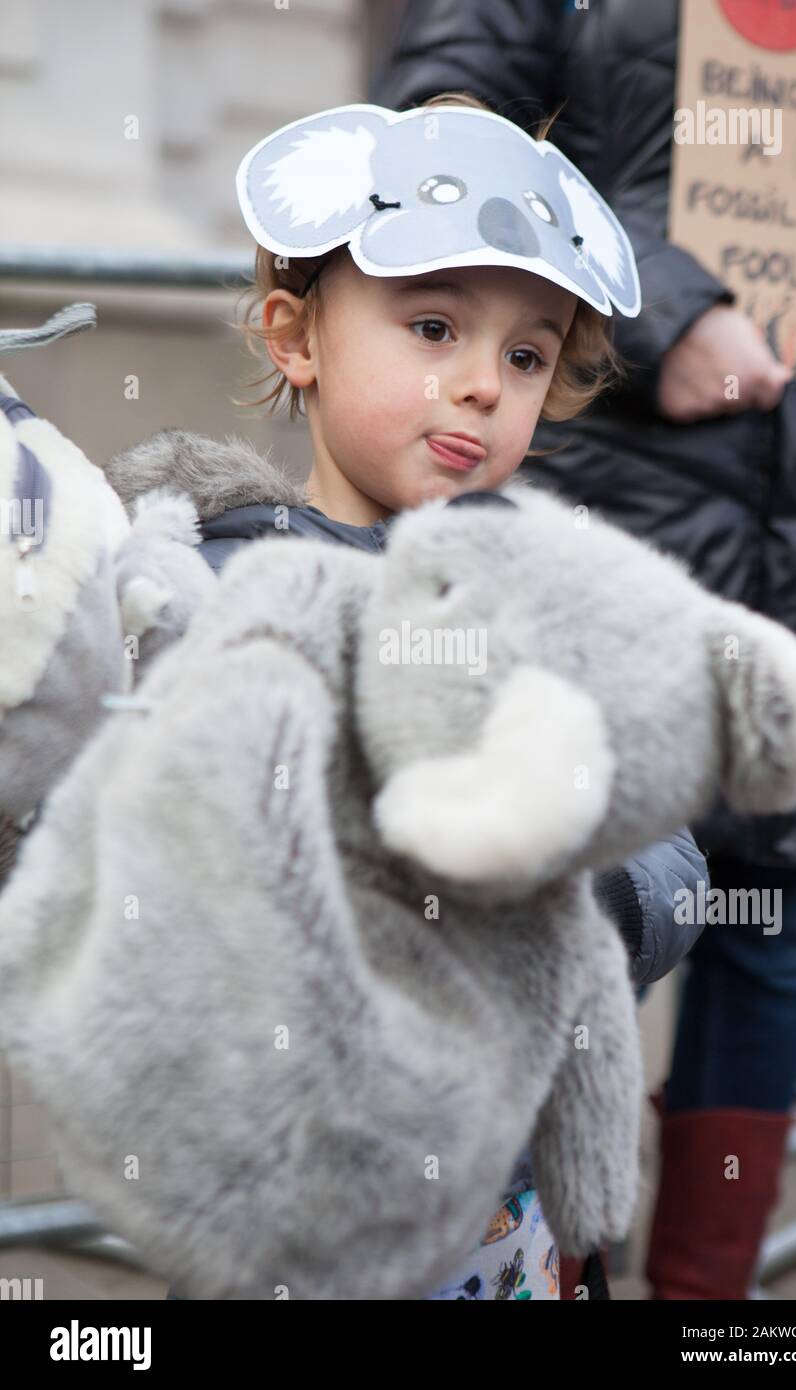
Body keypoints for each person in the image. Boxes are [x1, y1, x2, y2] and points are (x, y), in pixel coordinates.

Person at [102, 92, 708, 1300]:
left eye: (526, 354)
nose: (483, 384)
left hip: (511, 1241)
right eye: (433, 326)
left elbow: (675, 866)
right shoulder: (222, 593)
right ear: (296, 337)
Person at [372, 0, 796, 1298]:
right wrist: (659, 307)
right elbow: (445, 122)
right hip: (614, 494)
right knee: (560, 902)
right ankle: (546, 1273)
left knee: (765, 939)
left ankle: (704, 1310)